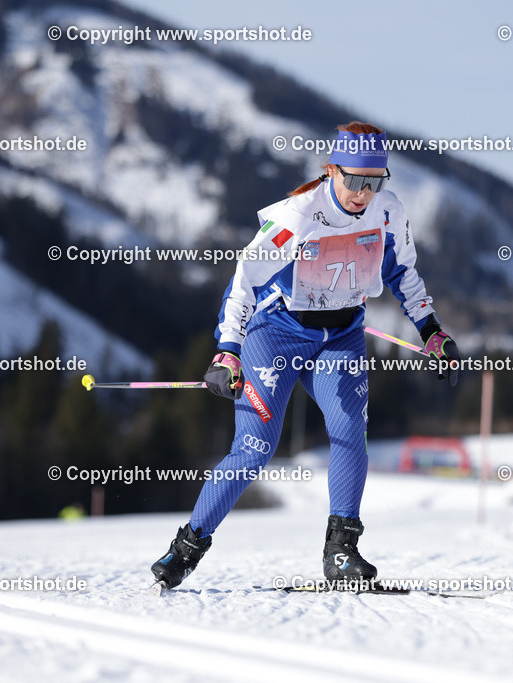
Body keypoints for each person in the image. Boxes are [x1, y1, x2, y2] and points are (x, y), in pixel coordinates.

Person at [151, 121, 461, 589]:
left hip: (340, 338)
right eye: (354, 179)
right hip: (274, 336)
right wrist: (227, 352)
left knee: (349, 430)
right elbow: (246, 281)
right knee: (254, 450)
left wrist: (432, 331)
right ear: (331, 170)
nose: (363, 192)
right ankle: (188, 547)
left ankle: (341, 551)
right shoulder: (297, 216)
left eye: (374, 181)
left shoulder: (387, 212)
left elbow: (402, 273)